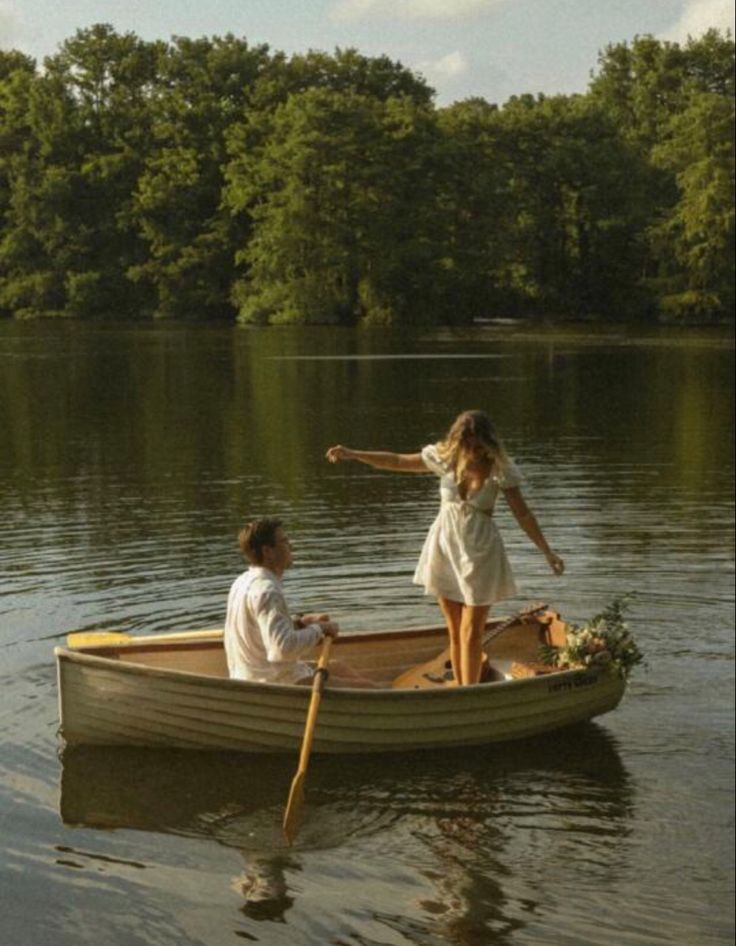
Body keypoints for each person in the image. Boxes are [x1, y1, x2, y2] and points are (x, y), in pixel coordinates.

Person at [326, 410, 564, 686]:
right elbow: (398, 460)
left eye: (478, 446)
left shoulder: (501, 468)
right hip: (445, 545)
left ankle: (469, 692)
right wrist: (354, 454)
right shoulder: (445, 457)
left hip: (481, 550)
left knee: (472, 631)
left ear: (488, 442)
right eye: (467, 445)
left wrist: (548, 552)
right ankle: (462, 690)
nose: (472, 451)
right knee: (455, 630)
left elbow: (523, 515)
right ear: (458, 441)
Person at [224, 517, 377, 688]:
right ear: (267, 551)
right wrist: (320, 629)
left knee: (338, 666)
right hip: (275, 682)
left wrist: (300, 622)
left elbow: (263, 631)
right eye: (284, 541)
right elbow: (282, 649)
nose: (291, 546)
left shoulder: (241, 582)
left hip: (256, 675)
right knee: (367, 687)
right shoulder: (268, 591)